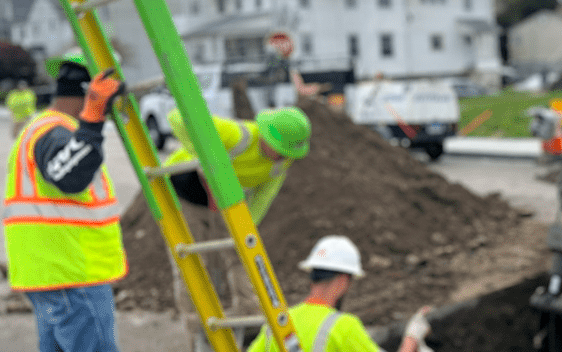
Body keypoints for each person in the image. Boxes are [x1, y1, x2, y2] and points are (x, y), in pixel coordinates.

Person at [3, 48, 127, 352]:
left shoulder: (48, 128)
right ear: (92, 92)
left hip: (55, 274)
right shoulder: (52, 131)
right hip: (71, 273)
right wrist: (93, 119)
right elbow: (67, 175)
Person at [163, 105, 312, 351]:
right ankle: (197, 331)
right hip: (183, 191)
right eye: (282, 151)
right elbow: (177, 117)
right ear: (266, 137)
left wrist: (244, 232)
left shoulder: (280, 164)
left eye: (289, 153)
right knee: (192, 264)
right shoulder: (237, 135)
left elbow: (261, 200)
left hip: (224, 197)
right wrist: (203, 154)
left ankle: (249, 313)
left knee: (241, 254)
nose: (285, 157)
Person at [246, 235, 432, 352]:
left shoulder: (277, 324)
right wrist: (412, 337)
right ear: (343, 281)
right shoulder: (343, 326)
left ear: (312, 276)